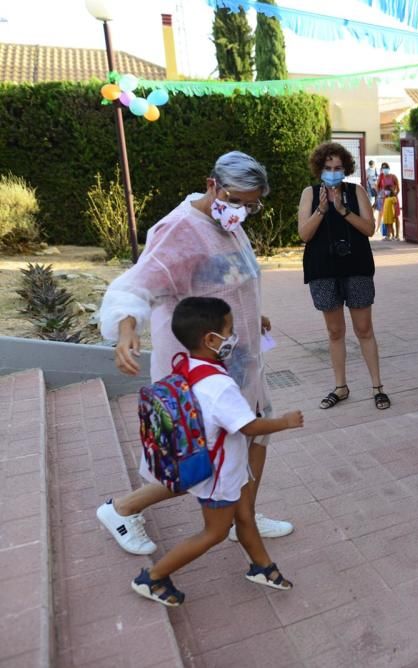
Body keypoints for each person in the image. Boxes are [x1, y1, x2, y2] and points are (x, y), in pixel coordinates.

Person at [96, 151, 293, 556]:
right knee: (199, 457)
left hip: (241, 362)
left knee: (255, 438)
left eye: (252, 203)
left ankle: (245, 521)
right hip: (201, 372)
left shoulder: (227, 223)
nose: (244, 210)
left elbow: (228, 280)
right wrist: (126, 327)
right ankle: (121, 510)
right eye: (237, 200)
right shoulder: (179, 229)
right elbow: (135, 286)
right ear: (212, 185)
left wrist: (253, 314)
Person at [131, 297, 303, 607]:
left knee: (245, 516)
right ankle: (153, 577)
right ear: (211, 339)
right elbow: (248, 427)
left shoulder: (188, 364)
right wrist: (285, 422)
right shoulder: (220, 385)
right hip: (219, 475)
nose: (234, 336)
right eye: (230, 330)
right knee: (215, 532)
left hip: (223, 466)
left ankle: (262, 568)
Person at [297, 142, 390, 412]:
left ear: (345, 168)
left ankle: (377, 387)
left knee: (364, 329)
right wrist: (322, 210)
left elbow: (370, 229)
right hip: (322, 270)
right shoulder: (310, 194)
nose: (333, 173)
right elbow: (304, 234)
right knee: (335, 331)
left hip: (357, 267)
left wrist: (343, 210)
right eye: (328, 168)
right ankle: (341, 387)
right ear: (319, 169)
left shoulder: (356, 191)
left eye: (338, 168)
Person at [376, 162, 401, 241]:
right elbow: (377, 187)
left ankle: (397, 235)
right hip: (385, 200)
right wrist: (381, 195)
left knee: (396, 216)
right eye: (383, 168)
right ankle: (388, 235)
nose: (385, 170)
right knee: (386, 217)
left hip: (393, 200)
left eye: (386, 168)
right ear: (381, 169)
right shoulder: (381, 177)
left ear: (389, 169)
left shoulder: (393, 177)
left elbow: (398, 188)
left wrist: (394, 195)